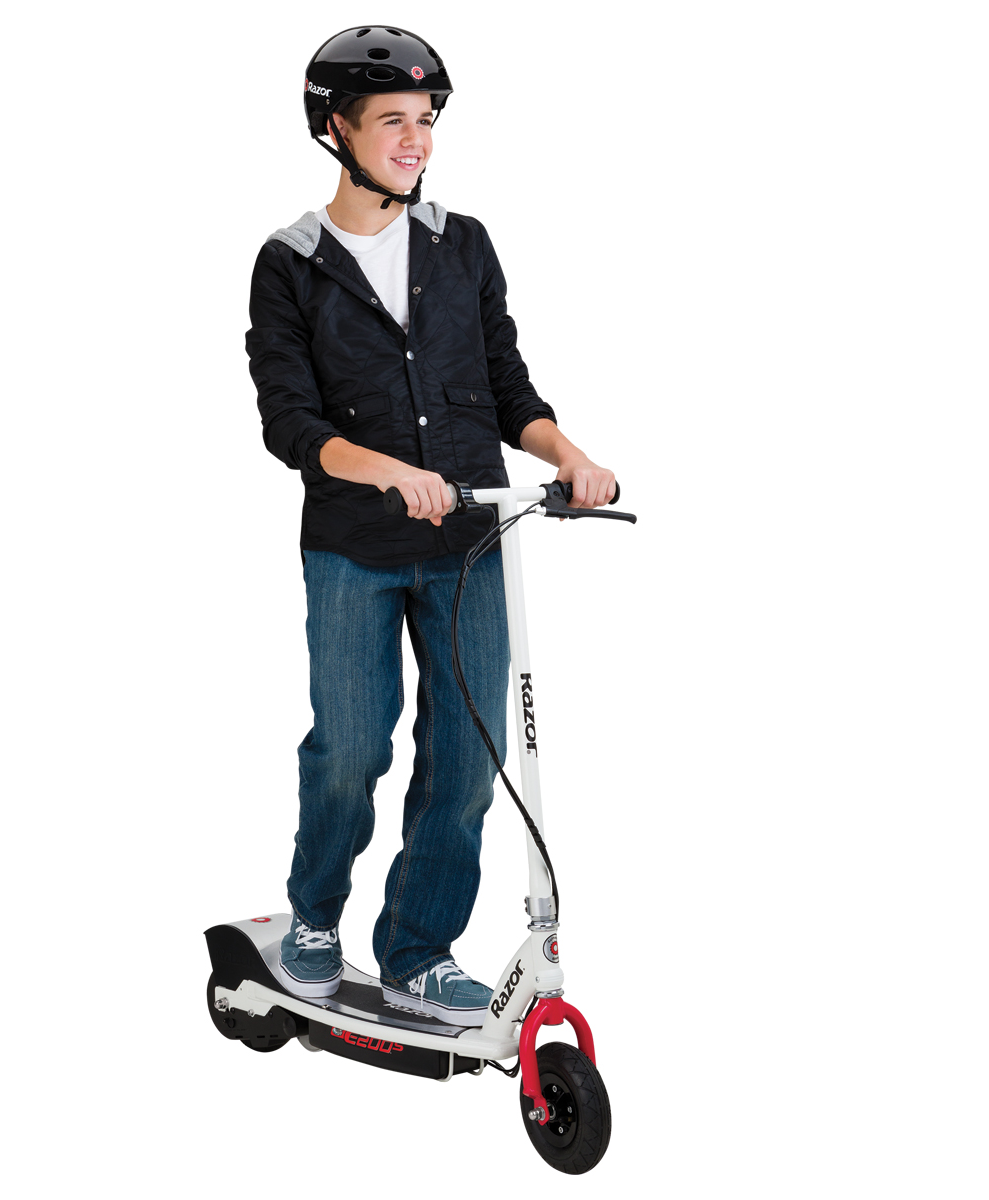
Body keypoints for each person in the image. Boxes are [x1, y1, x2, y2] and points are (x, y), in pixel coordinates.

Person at [246, 27, 616, 1025]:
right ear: (337, 130)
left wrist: (568, 456)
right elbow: (291, 424)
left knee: (466, 761)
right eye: (393, 121)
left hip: (470, 546)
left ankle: (417, 950)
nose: (417, 142)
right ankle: (314, 916)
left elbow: (508, 388)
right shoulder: (291, 263)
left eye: (427, 120)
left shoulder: (465, 245)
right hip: (354, 550)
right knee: (351, 751)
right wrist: (392, 473)